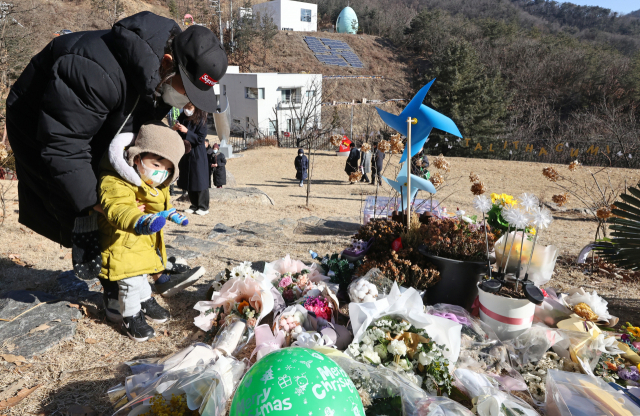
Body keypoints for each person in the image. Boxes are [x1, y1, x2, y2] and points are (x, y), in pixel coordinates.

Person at [6, 13, 226, 311]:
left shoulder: (158, 76)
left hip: (97, 120)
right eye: (188, 89)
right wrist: (98, 204)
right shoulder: (94, 69)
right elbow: (63, 146)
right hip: (42, 123)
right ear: (166, 61)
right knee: (100, 200)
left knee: (131, 190)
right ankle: (114, 282)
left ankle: (141, 274)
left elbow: (139, 127)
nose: (188, 103)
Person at [98, 122, 203, 341]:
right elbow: (119, 208)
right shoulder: (116, 179)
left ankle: (146, 301)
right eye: (155, 163)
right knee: (130, 282)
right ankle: (131, 316)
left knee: (142, 276)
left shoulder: (153, 184)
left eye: (167, 168)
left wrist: (170, 213)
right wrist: (140, 221)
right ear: (136, 158)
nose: (160, 172)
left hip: (142, 242)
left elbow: (159, 207)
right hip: (121, 241)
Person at [175, 103, 210, 215]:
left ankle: (203, 207)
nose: (186, 110)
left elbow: (200, 139)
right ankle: (194, 205)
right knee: (189, 179)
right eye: (185, 107)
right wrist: (175, 129)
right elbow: (178, 134)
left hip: (197, 153)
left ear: (195, 107)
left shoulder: (202, 119)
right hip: (186, 151)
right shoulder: (182, 117)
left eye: (189, 108)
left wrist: (187, 132)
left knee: (199, 179)